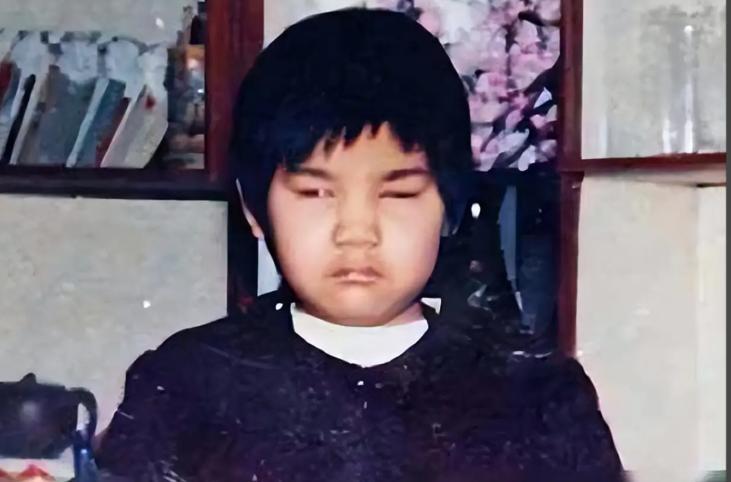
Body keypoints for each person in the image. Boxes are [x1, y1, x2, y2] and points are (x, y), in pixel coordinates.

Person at [95, 8, 624, 482]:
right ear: (254, 210)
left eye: (398, 193)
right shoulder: (187, 383)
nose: (356, 231)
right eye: (315, 193)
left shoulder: (538, 394)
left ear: (449, 207)